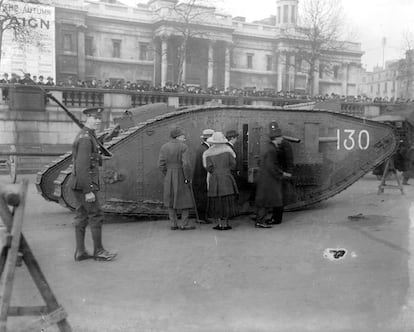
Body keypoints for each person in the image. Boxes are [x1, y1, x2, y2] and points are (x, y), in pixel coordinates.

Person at [71, 107, 117, 262]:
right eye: (95, 118)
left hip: (79, 184)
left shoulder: (88, 136)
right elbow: (82, 167)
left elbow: (97, 147)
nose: (98, 121)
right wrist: (88, 191)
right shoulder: (85, 139)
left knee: (82, 216)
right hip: (85, 185)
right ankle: (99, 251)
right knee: (96, 215)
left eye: (99, 118)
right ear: (88, 118)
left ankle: (81, 251)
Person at [254, 122, 294, 228]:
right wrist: (282, 174)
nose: (281, 139)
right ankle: (262, 220)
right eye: (280, 137)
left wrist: (286, 172)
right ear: (276, 138)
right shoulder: (272, 149)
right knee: (269, 199)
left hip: (269, 176)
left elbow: (288, 160)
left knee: (269, 199)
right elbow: (271, 165)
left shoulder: (269, 146)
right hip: (271, 177)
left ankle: (266, 219)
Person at [158, 127, 195, 230]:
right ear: (178, 137)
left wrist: (168, 173)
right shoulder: (184, 147)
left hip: (169, 175)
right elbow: (186, 164)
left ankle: (173, 224)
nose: (184, 138)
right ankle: (184, 224)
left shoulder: (164, 147)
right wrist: (187, 177)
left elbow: (161, 165)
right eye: (183, 136)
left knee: (170, 200)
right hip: (181, 174)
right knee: (185, 199)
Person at [203, 131, 239, 231]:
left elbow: (208, 167)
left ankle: (219, 224)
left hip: (215, 179)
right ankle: (226, 224)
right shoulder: (228, 151)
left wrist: (215, 172)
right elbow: (233, 164)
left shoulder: (208, 153)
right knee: (227, 200)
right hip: (227, 178)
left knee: (217, 201)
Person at [192, 129, 215, 223]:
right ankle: (202, 218)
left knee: (201, 198)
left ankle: (201, 217)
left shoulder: (201, 148)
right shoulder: (205, 150)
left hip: (199, 177)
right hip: (202, 177)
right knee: (202, 198)